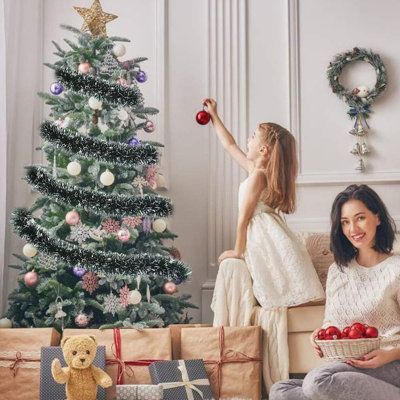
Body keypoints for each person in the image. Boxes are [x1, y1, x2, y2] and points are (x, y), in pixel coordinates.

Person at [204, 98, 325, 391]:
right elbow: (229, 144)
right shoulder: (256, 171)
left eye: (253, 137)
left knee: (278, 293)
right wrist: (214, 117)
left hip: (263, 237)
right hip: (268, 235)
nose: (247, 140)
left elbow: (244, 218)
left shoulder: (258, 175)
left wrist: (237, 251)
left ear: (264, 149)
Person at [270, 184, 400, 400]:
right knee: (280, 391)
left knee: (316, 382)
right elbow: (332, 322)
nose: (353, 229)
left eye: (360, 218)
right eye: (345, 222)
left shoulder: (396, 269)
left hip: (390, 365)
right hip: (346, 364)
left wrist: (389, 355)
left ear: (377, 218)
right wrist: (318, 334)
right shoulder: (337, 271)